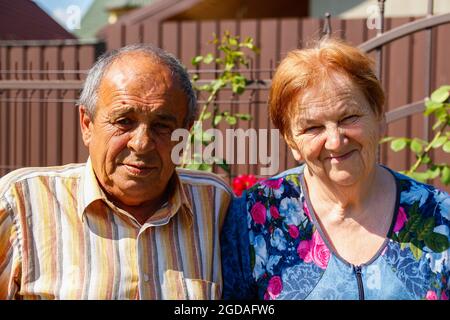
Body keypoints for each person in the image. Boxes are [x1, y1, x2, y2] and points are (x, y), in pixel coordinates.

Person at [221, 38, 450, 300]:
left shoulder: (440, 216)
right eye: (312, 128)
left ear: (379, 116)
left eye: (349, 118)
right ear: (291, 141)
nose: (335, 140)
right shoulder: (254, 218)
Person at [0, 44, 232, 299]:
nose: (141, 143)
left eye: (162, 126)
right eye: (124, 121)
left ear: (185, 133)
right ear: (87, 124)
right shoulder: (21, 203)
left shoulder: (215, 205)